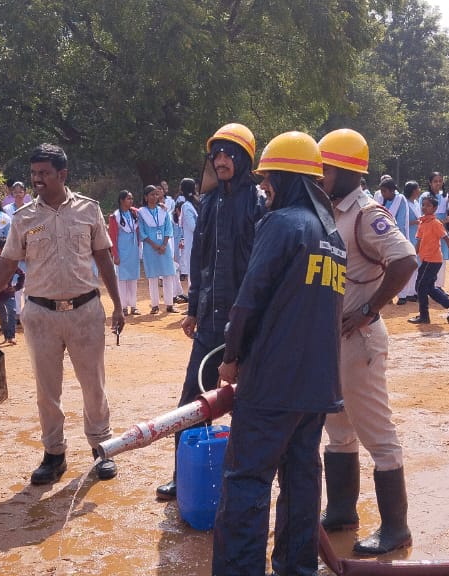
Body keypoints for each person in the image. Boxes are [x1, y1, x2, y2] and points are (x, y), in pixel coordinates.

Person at [212, 131, 345, 576]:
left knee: (247, 480)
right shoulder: (332, 238)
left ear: (289, 178)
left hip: (271, 384)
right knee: (302, 481)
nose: (264, 186)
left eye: (270, 179)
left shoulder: (283, 223)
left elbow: (249, 300)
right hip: (316, 386)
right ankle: (297, 568)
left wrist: (231, 357)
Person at [0, 143, 125, 485]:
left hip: (86, 312)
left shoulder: (88, 209)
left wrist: (118, 305)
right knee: (47, 390)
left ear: (62, 175)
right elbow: (6, 264)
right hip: (40, 315)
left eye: (44, 174)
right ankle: (54, 454)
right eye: (34, 173)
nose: (36, 179)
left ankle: (102, 448)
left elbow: (103, 258)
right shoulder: (24, 218)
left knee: (93, 385)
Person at [316, 129, 420, 556]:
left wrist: (371, 309)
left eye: (326, 167)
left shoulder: (365, 213)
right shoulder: (331, 209)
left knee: (377, 433)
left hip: (358, 339)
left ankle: (395, 528)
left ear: (345, 170)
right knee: (338, 431)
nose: (320, 173)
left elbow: (406, 259)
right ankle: (342, 510)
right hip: (333, 339)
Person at [156, 123, 265, 501]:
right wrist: (194, 308)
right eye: (215, 154)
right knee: (191, 400)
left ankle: (247, 486)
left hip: (247, 325)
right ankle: (182, 476)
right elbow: (200, 259)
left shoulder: (258, 203)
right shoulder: (211, 202)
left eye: (227, 154)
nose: (220, 161)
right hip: (210, 322)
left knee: (249, 405)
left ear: (244, 158)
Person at [408, 194, 449, 324]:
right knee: (429, 287)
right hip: (426, 260)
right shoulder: (422, 222)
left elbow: (447, 240)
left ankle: (424, 316)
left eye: (428, 205)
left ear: (435, 208)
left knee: (420, 286)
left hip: (433, 260)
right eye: (423, 205)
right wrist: (412, 257)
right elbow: (419, 243)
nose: (424, 207)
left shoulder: (436, 223)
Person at [138, 185, 178, 314]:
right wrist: (154, 245)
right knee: (153, 276)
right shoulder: (141, 212)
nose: (155, 197)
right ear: (146, 197)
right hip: (150, 248)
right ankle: (154, 305)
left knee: (168, 274)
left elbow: (168, 228)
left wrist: (164, 244)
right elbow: (142, 232)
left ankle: (169, 304)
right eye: (151, 195)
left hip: (164, 246)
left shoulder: (163, 211)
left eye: (156, 194)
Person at [108, 190, 142, 316]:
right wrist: (115, 254)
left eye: (132, 198)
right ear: (121, 200)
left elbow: (146, 210)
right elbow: (112, 237)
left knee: (133, 278)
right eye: (128, 199)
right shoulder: (115, 217)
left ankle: (133, 305)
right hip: (122, 249)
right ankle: (123, 306)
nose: (131, 201)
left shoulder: (134, 213)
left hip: (133, 249)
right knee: (122, 279)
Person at [175, 179, 199, 297]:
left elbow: (193, 227)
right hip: (196, 243)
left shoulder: (186, 206)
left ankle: (192, 307)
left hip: (192, 244)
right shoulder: (196, 203)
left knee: (192, 275)